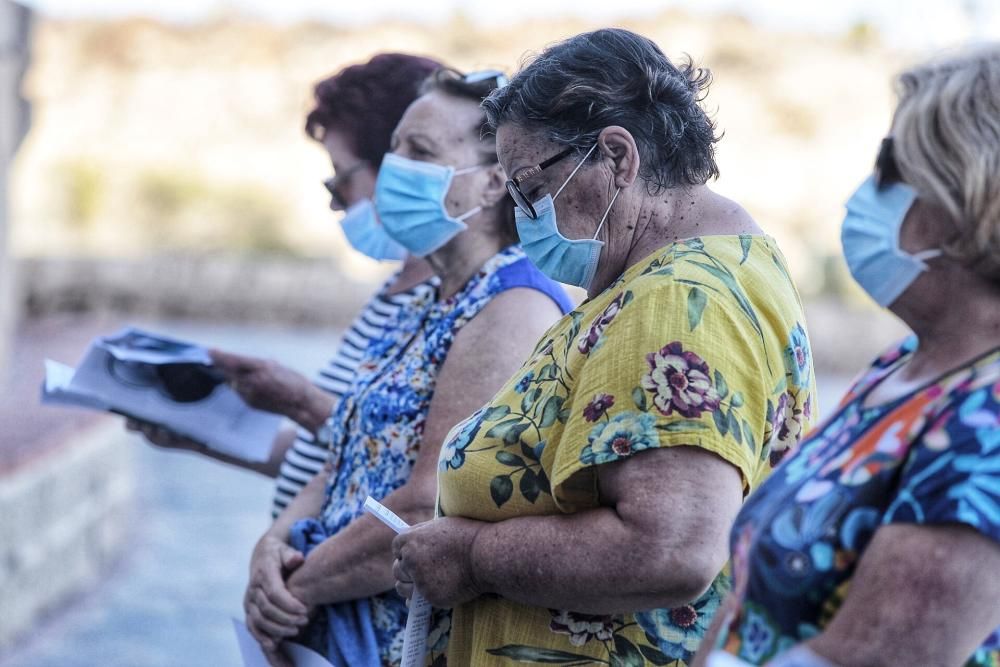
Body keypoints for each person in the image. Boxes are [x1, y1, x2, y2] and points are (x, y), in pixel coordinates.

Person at [391, 28, 817, 667]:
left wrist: (472, 558)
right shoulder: (717, 264)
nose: (525, 215)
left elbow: (671, 549)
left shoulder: (674, 298)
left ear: (617, 157)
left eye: (532, 189)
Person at [245, 68, 574, 667]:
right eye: (395, 147)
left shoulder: (512, 305)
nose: (394, 167)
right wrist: (270, 547)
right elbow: (344, 451)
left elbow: (427, 505)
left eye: (418, 152)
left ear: (492, 183)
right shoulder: (426, 298)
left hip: (403, 641)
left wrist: (294, 591)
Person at [694, 47, 1000, 667]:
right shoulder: (902, 368)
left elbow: (881, 656)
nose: (867, 195)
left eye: (892, 168)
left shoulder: (987, 414)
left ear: (967, 195)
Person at [126, 53, 441, 519]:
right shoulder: (396, 289)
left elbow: (417, 474)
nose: (336, 205)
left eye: (342, 180)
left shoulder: (459, 299)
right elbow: (330, 454)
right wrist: (198, 434)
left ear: (402, 165)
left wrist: (300, 401)